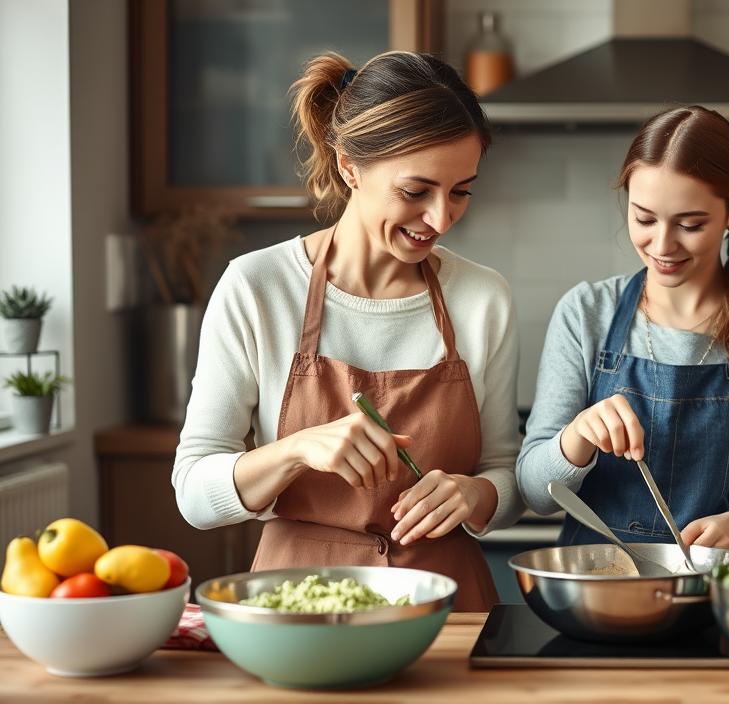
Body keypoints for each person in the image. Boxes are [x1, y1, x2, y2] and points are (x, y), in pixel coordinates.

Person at [173, 50, 523, 611]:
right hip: (299, 607)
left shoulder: (482, 298)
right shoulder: (258, 287)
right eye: (415, 191)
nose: (440, 218)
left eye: (460, 191)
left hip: (445, 611)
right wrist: (295, 451)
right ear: (348, 166)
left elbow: (505, 474)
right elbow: (193, 491)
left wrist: (477, 492)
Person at [517, 106, 729, 551]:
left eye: (690, 225)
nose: (662, 245)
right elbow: (535, 493)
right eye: (644, 219)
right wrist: (577, 436)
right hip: (593, 587)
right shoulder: (585, 313)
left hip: (705, 590)